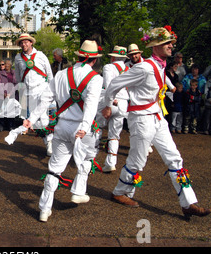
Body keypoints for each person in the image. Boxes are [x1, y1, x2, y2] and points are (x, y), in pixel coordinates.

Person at [102, 26, 211, 218]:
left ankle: (188, 203)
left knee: (175, 158)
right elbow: (114, 84)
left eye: (171, 42)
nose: (171, 46)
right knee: (137, 160)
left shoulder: (161, 67)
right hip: (141, 119)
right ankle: (120, 192)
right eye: (166, 43)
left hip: (157, 118)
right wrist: (108, 105)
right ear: (155, 46)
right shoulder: (144, 67)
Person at [23, 40, 103, 222]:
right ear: (94, 60)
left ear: (79, 56)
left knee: (55, 168)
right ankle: (78, 190)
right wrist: (83, 128)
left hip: (62, 126)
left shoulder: (60, 74)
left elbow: (45, 100)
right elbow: (90, 106)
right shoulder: (96, 79)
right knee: (88, 158)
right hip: (82, 128)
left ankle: (44, 208)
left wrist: (31, 119)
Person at [14, 33, 54, 156]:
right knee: (36, 121)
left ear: (31, 43)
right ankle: (48, 142)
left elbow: (50, 74)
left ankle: (50, 144)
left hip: (42, 89)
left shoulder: (41, 56)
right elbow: (18, 76)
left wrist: (51, 91)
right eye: (21, 42)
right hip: (28, 91)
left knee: (45, 118)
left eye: (26, 42)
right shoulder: (18, 58)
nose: (23, 44)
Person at [101, 45, 129, 173]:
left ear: (113, 56)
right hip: (123, 103)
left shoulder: (108, 67)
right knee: (114, 134)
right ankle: (111, 162)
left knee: (97, 128)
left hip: (110, 101)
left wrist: (111, 100)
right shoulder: (129, 69)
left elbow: (108, 84)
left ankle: (88, 158)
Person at [0, 59, 18, 130]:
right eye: (5, 64)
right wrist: (4, 94)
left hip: (12, 94)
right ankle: (1, 125)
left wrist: (10, 93)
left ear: (11, 65)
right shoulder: (0, 73)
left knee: (11, 110)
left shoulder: (14, 73)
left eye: (8, 64)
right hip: (2, 95)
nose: (7, 65)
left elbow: (17, 84)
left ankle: (10, 125)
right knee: (1, 110)